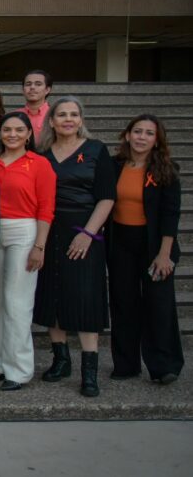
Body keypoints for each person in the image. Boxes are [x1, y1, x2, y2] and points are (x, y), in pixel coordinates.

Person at [35, 97, 115, 397]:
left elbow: (106, 196)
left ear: (81, 119)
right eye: (62, 115)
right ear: (51, 121)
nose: (68, 119)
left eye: (74, 115)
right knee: (52, 292)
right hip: (48, 230)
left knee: (85, 296)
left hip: (84, 230)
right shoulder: (41, 153)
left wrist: (89, 233)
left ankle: (89, 371)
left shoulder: (96, 150)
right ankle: (60, 359)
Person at [0, 112, 56, 391]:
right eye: (7, 129)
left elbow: (46, 208)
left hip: (24, 232)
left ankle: (20, 369)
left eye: (19, 130)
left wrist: (40, 245)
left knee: (17, 303)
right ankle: (1, 362)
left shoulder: (39, 164)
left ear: (29, 134)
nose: (12, 134)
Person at [108, 114, 183, 384]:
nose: (142, 137)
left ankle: (164, 366)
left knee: (158, 305)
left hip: (155, 245)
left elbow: (170, 215)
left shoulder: (167, 169)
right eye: (137, 131)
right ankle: (126, 364)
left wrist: (164, 255)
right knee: (123, 303)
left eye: (149, 133)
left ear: (157, 140)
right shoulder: (114, 166)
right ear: (127, 135)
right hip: (121, 244)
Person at [18, 69, 53, 141]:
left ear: (47, 90)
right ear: (23, 90)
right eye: (28, 84)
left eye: (38, 84)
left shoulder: (54, 114)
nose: (32, 87)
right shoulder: (15, 115)